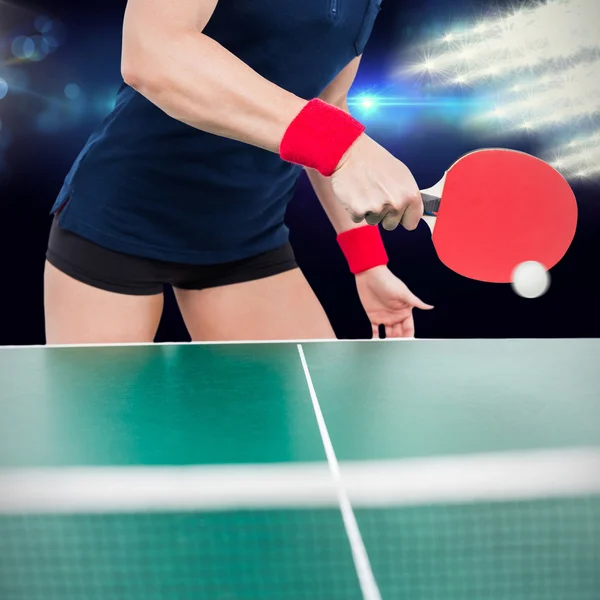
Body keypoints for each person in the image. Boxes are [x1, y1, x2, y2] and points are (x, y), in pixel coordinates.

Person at [44, 0, 433, 344]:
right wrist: (339, 142)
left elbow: (328, 106)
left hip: (247, 232)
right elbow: (152, 50)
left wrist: (369, 263)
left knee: (308, 423)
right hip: (121, 219)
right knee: (99, 428)